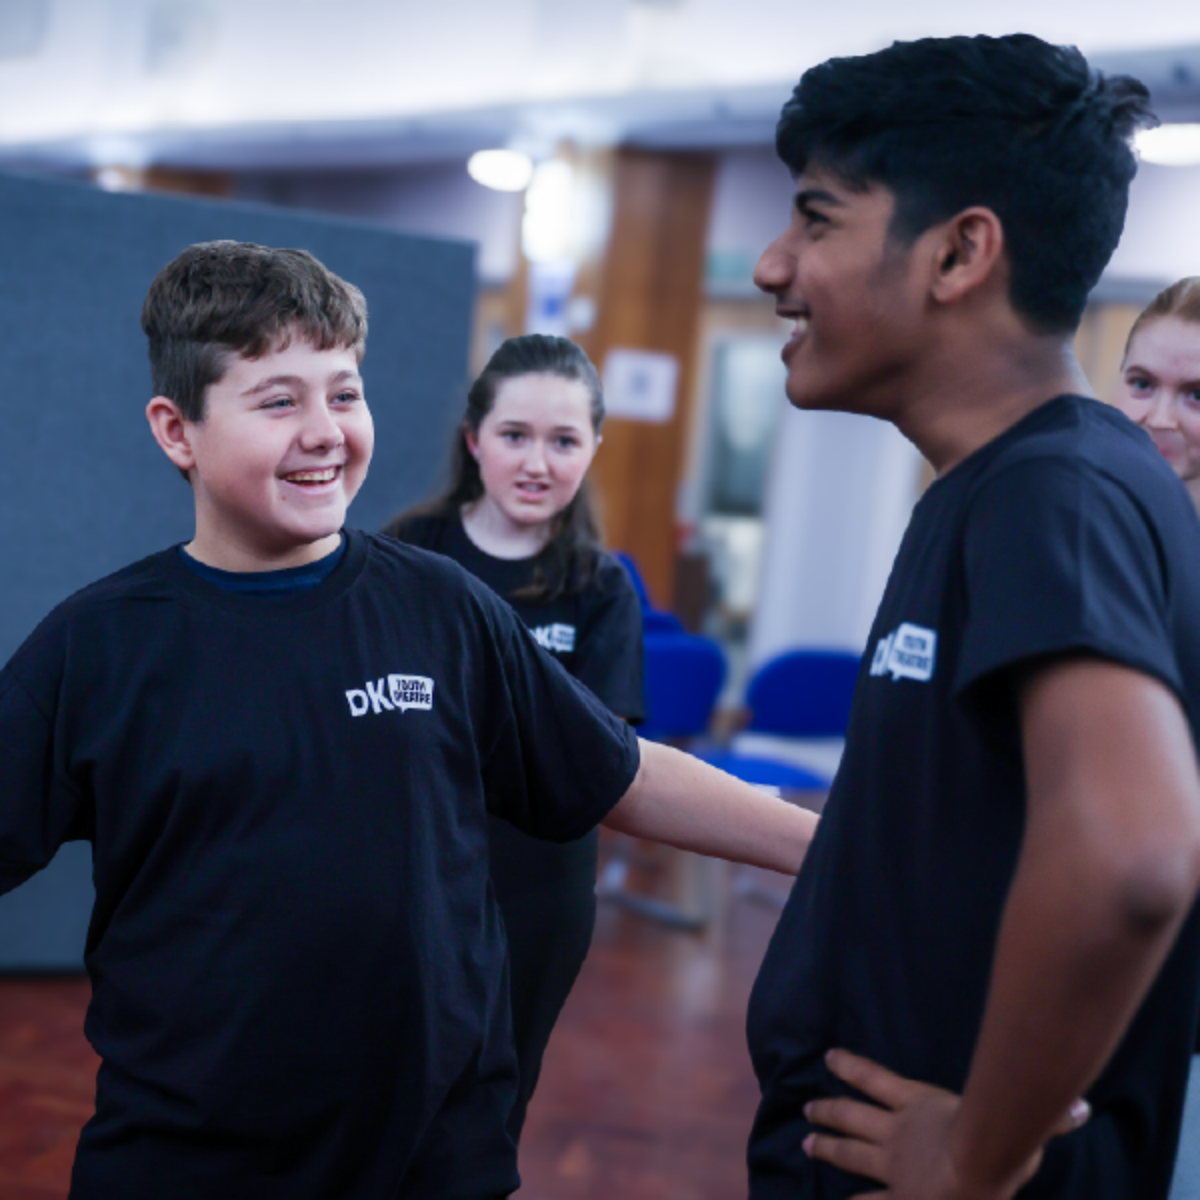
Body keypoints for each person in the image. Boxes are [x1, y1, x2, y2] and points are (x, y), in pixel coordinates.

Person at [0, 240, 818, 1200]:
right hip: (189, 1157)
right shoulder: (98, 645)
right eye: (279, 401)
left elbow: (623, 771)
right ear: (177, 430)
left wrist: (835, 848)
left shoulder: (443, 606)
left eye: (344, 394)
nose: (325, 432)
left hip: (432, 1155)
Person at [745, 34, 1200, 1200]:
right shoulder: (1017, 479)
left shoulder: (1055, 492)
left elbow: (1136, 854)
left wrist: (973, 1158)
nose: (771, 263)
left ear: (958, 253)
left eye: (816, 219)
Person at [382, 333, 642, 1141]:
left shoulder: (601, 587)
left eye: (564, 441)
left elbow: (596, 760)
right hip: (410, 868)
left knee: (491, 1107)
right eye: (515, 435)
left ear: (593, 448)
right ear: (474, 439)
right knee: (384, 1092)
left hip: (538, 884)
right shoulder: (408, 552)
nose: (537, 463)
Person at [1112, 278, 1200, 1200]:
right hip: (1086, 986)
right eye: (1141, 383)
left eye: (1198, 396)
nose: (1160, 419)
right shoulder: (1098, 543)